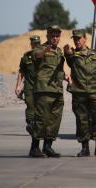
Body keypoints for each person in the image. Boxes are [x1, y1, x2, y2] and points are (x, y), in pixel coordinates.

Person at [64, 29, 96, 157]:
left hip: (95, 91)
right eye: (75, 39)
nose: (77, 41)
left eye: (79, 38)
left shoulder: (95, 55)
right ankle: (85, 148)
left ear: (85, 39)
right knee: (82, 120)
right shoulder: (73, 56)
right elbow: (68, 56)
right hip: (79, 92)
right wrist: (67, 51)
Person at [30, 25, 66, 158]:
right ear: (47, 36)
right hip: (44, 89)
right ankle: (34, 148)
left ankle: (48, 146)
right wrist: (45, 50)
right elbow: (36, 56)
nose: (55, 38)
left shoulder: (59, 51)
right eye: (52, 36)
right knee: (41, 119)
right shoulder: (40, 48)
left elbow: (59, 69)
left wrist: (67, 77)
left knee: (54, 120)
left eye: (57, 36)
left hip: (57, 90)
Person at [14, 35, 40, 155]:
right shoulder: (26, 57)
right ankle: (29, 124)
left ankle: (35, 146)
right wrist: (18, 86)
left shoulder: (44, 55)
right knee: (30, 107)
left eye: (38, 44)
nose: (36, 46)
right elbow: (21, 72)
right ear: (31, 44)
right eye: (34, 44)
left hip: (41, 87)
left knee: (40, 115)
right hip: (29, 87)